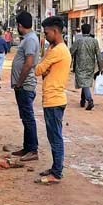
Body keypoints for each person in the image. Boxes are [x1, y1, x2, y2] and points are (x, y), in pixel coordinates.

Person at [34, 16, 71, 184]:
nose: (45, 36)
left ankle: (56, 173)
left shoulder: (56, 51)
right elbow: (43, 71)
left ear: (55, 31)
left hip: (54, 100)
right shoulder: (61, 50)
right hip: (55, 98)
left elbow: (38, 69)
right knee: (54, 136)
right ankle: (56, 168)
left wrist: (46, 55)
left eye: (46, 33)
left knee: (55, 137)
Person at [10, 11, 40, 162]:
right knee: (25, 117)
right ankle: (27, 147)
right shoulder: (29, 38)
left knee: (28, 118)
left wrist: (19, 82)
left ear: (20, 26)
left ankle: (33, 149)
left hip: (25, 85)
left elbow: (28, 63)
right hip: (23, 84)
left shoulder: (30, 40)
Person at [70, 23, 103, 110]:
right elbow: (99, 56)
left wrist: (68, 64)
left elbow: (70, 52)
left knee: (84, 83)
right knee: (85, 83)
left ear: (82, 30)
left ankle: (89, 100)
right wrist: (101, 68)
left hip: (80, 66)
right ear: (89, 30)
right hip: (90, 66)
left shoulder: (78, 41)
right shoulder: (94, 41)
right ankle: (82, 100)